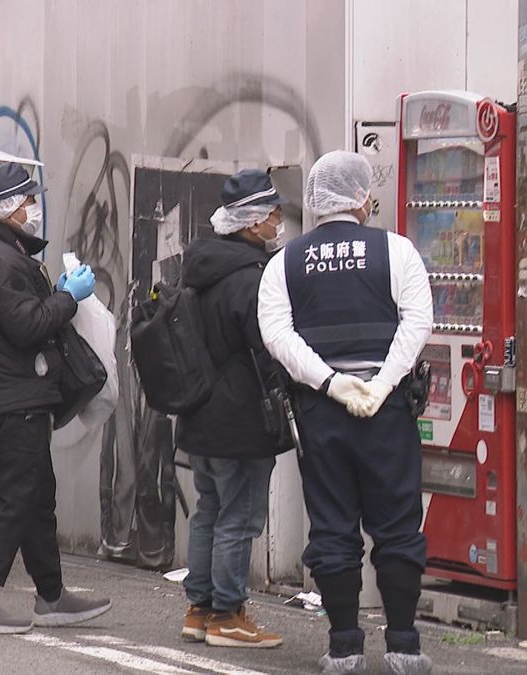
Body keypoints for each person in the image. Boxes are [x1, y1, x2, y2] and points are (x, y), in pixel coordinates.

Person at [258, 151, 434, 675]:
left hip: (321, 415)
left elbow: (277, 336)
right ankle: (403, 645)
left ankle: (343, 648)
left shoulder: (284, 262)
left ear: (315, 201)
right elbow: (418, 322)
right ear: (361, 198)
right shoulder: (396, 252)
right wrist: (380, 385)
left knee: (333, 527)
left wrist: (331, 383)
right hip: (388, 413)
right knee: (399, 525)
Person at [0, 162, 112, 634]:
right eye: (28, 203)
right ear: (8, 210)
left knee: (37, 497)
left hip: (2, 394)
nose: (35, 210)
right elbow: (28, 326)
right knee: (16, 497)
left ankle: (52, 596)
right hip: (12, 397)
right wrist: (67, 297)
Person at [176, 169, 289, 649]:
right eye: (273, 215)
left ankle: (199, 608)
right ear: (252, 223)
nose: (279, 222)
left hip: (199, 413)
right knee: (239, 517)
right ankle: (227, 614)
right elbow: (267, 350)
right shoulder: (251, 278)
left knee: (209, 509)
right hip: (241, 417)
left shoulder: (199, 268)